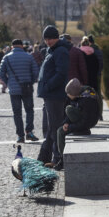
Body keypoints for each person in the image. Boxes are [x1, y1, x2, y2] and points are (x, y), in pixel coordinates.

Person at [36, 25, 70, 167]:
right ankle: (46, 157)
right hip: (50, 95)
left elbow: (61, 73)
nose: (48, 41)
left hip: (55, 94)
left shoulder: (60, 51)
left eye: (50, 38)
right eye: (46, 39)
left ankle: (57, 158)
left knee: (55, 126)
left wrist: (48, 86)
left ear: (57, 37)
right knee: (50, 127)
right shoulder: (52, 50)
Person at [0, 39, 40, 143]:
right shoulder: (29, 57)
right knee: (29, 110)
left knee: (17, 113)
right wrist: (31, 81)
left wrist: (8, 82)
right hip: (27, 88)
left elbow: (1, 73)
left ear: (12, 47)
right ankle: (29, 132)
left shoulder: (6, 58)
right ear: (22, 46)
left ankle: (20, 136)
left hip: (13, 89)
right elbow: (36, 72)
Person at [54, 78, 100, 170]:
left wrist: (70, 127)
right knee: (60, 130)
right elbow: (73, 112)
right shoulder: (79, 94)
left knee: (68, 109)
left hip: (87, 124)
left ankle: (63, 160)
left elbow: (85, 121)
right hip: (81, 121)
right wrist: (66, 123)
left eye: (69, 93)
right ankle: (62, 158)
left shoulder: (87, 99)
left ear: (74, 93)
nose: (67, 95)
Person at [88, 35, 104, 120]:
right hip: (98, 74)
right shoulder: (99, 51)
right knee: (99, 95)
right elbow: (101, 65)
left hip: (91, 75)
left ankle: (92, 113)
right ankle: (100, 114)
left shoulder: (90, 51)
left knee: (90, 94)